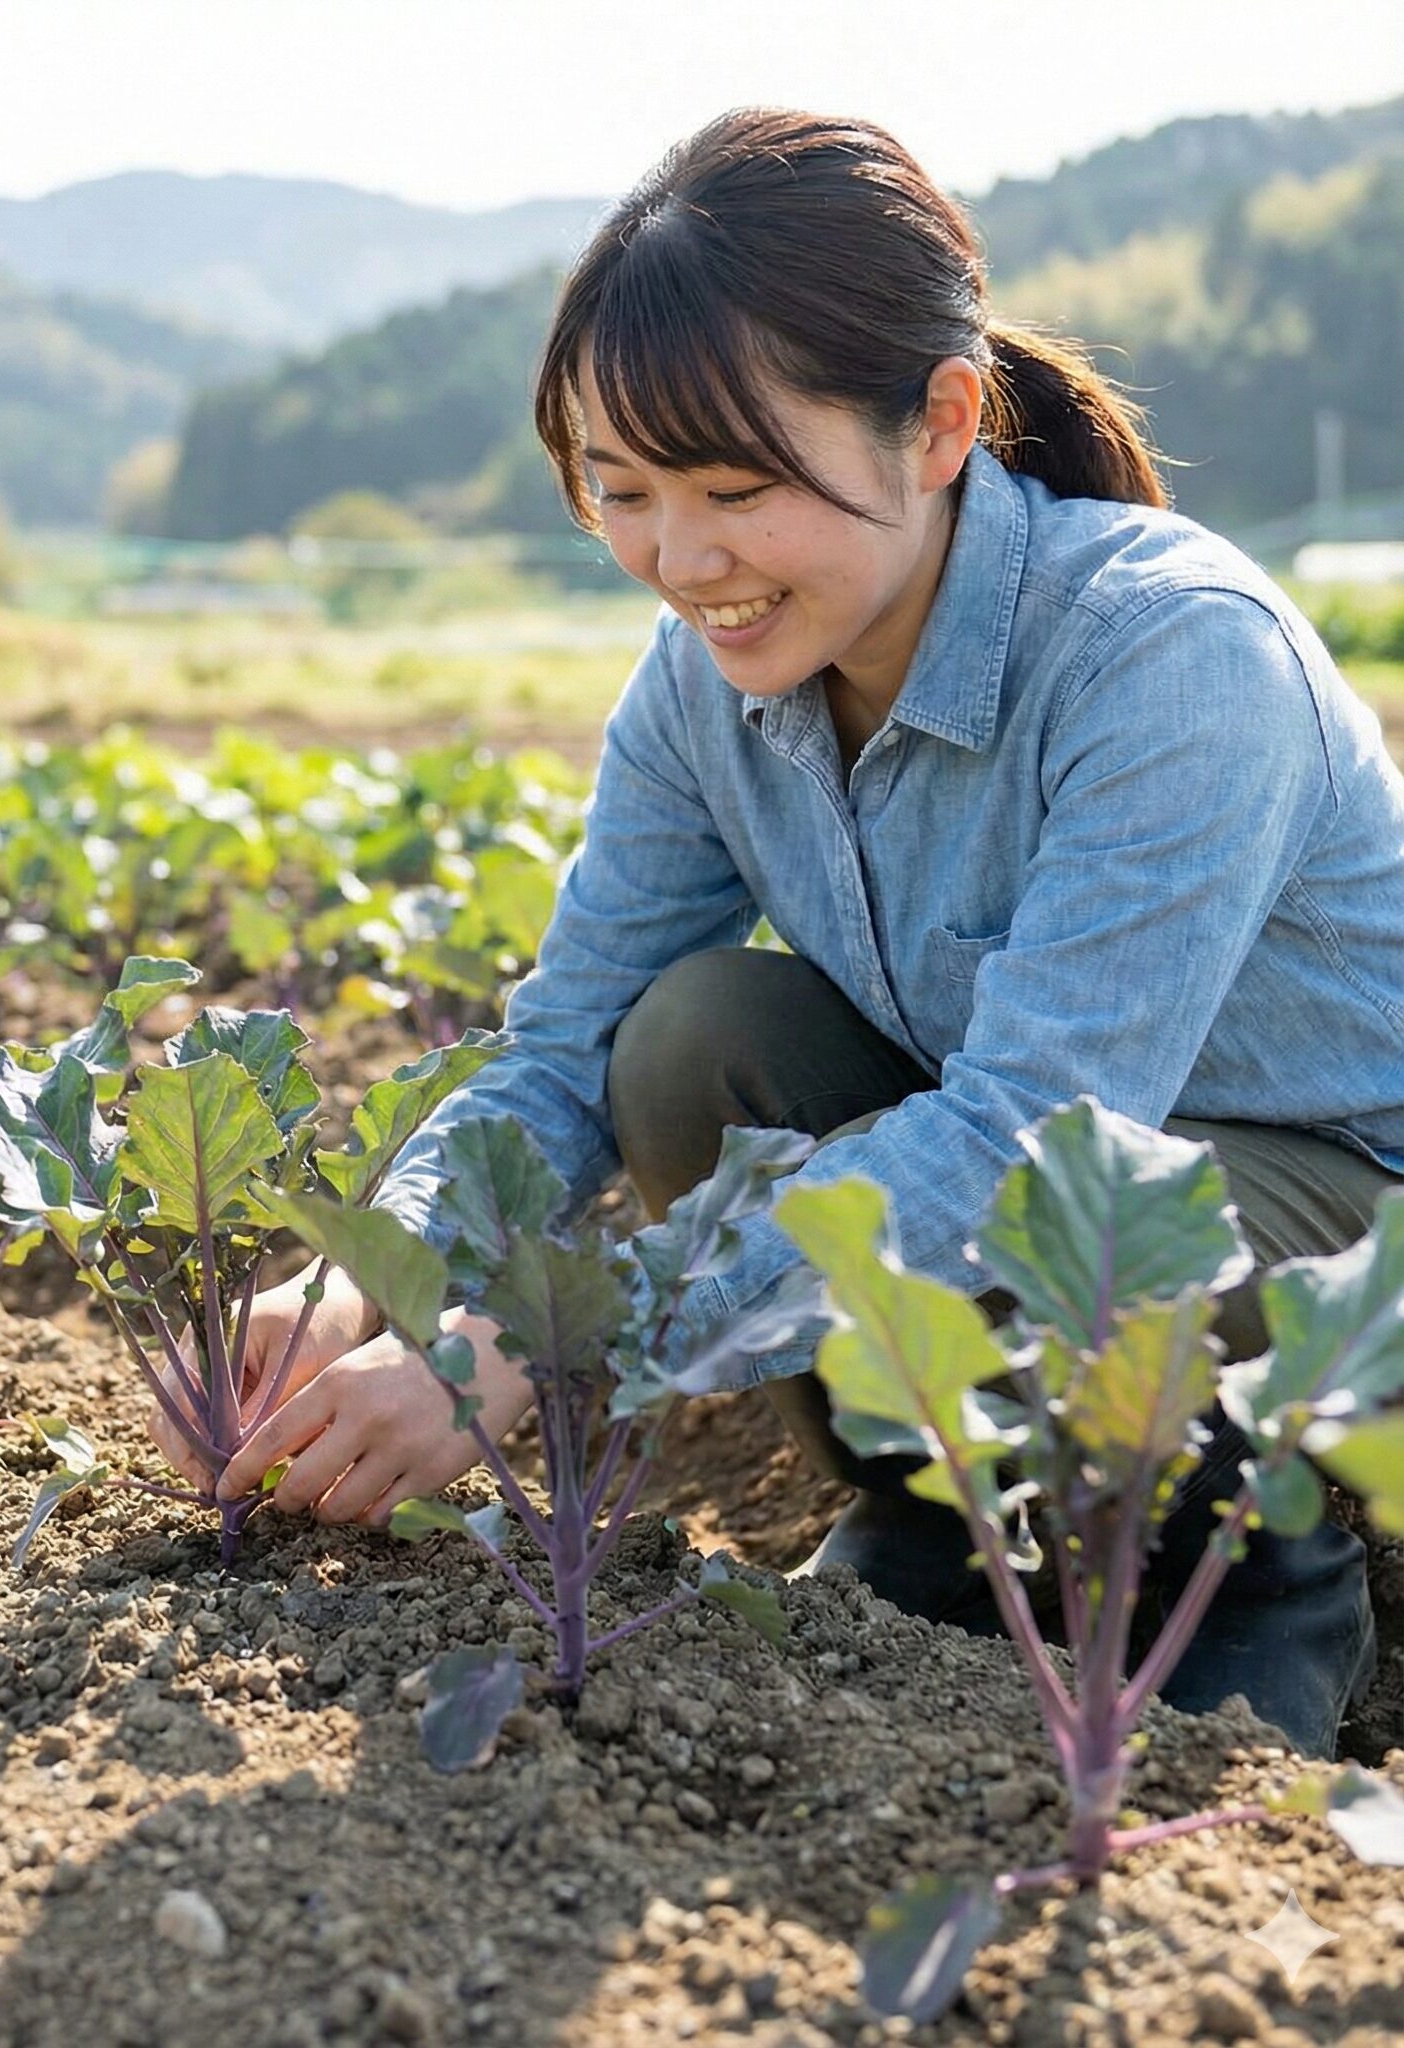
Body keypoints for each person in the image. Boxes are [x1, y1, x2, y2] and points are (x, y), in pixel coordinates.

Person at [177, 108, 1404, 1760]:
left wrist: (543, 1351)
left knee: (1054, 1231)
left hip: (1334, 1218)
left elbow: (1032, 1147)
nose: (683, 561)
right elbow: (561, 1053)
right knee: (685, 1046)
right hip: (1054, 1160)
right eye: (622, 493)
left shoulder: (1171, 655)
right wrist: (378, 1281)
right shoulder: (706, 685)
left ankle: (1258, 1574)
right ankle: (936, 1513)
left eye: (738, 488)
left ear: (942, 423)